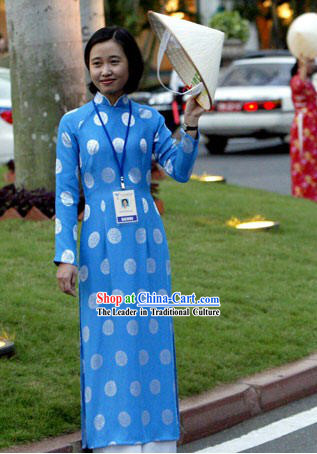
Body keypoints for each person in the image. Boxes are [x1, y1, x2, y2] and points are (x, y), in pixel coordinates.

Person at [54, 26, 205, 453]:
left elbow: (179, 169)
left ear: (131, 65)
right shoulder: (74, 124)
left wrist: (190, 124)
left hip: (146, 245)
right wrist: (64, 256)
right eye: (97, 62)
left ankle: (156, 441)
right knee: (105, 336)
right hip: (98, 244)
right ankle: (110, 441)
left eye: (114, 61)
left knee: (149, 333)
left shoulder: (149, 120)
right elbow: (66, 195)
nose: (105, 70)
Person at [290, 56, 317, 201]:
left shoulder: (309, 82)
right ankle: (303, 192)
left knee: (313, 159)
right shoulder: (297, 80)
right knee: (303, 158)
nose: (313, 65)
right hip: (304, 125)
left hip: (312, 125)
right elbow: (298, 87)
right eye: (310, 62)